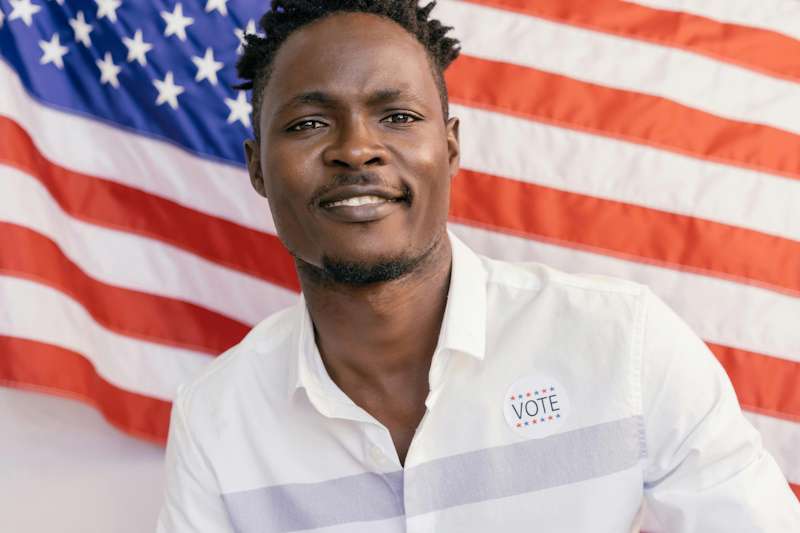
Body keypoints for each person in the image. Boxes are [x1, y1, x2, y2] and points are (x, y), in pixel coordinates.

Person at [156, 1, 800, 531]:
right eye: (308, 123)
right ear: (257, 168)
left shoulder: (623, 341)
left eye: (398, 117)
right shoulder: (215, 418)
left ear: (451, 146)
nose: (356, 148)